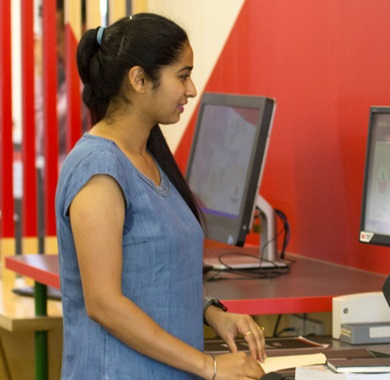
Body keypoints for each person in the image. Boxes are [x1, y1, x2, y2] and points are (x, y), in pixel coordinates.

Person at [55, 13, 266, 379]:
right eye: (182, 75)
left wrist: (213, 312)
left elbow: (154, 274)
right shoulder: (98, 170)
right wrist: (211, 366)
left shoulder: (149, 157)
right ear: (139, 80)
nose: (192, 89)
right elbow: (104, 304)